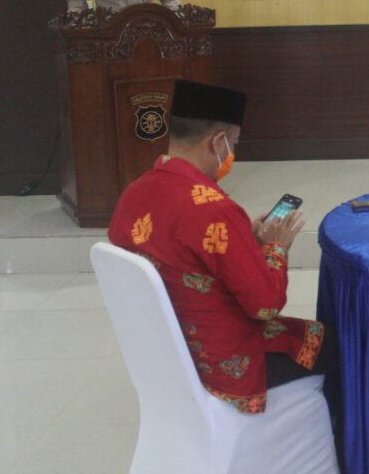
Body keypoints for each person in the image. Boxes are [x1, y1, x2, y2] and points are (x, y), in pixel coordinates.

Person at [108, 79, 328, 414]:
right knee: (345, 347)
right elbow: (265, 305)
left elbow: (184, 255)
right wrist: (276, 247)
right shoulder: (215, 209)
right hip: (225, 361)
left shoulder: (135, 192)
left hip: (170, 351)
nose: (232, 155)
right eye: (234, 144)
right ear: (218, 142)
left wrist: (246, 240)